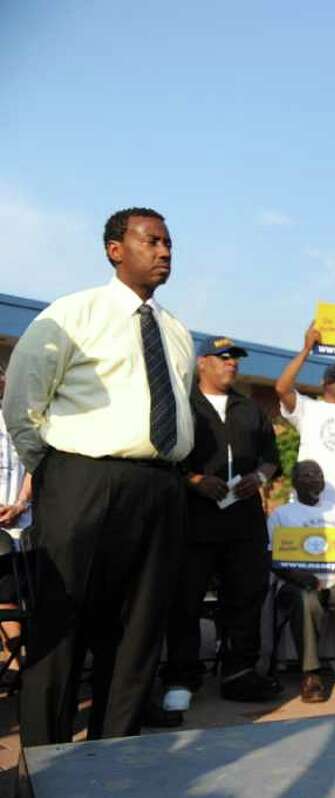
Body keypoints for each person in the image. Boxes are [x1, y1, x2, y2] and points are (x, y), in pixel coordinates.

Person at [2, 207, 194, 744]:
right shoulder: (72, 314)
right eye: (151, 241)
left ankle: (113, 759)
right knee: (61, 627)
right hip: (81, 481)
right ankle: (43, 763)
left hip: (159, 487)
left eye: (169, 243)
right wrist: (52, 468)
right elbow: (23, 400)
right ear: (116, 249)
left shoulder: (176, 331)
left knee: (138, 632)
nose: (164, 252)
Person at [163, 336, 280, 706]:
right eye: (223, 357)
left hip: (243, 524)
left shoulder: (250, 409)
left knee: (246, 597)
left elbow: (271, 457)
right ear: (202, 362)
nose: (231, 364)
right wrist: (194, 480)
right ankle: (182, 677)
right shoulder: (183, 406)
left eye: (235, 359)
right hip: (194, 523)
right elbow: (166, 458)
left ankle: (239, 673)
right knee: (186, 600)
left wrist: (259, 478)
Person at [267, 460, 335, 703]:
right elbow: (272, 558)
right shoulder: (282, 514)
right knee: (306, 601)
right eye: (308, 474)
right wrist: (300, 577)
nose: (315, 479)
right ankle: (310, 675)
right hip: (297, 583)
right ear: (295, 482)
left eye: (319, 475)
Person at [275, 323, 335, 522]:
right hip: (310, 507)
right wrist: (307, 349)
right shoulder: (308, 408)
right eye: (334, 378)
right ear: (323, 383)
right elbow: (282, 388)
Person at [0, 362, 34, 677]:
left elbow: (36, 465)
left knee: (9, 600)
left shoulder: (20, 421)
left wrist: (21, 503)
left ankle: (19, 666)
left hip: (20, 525)